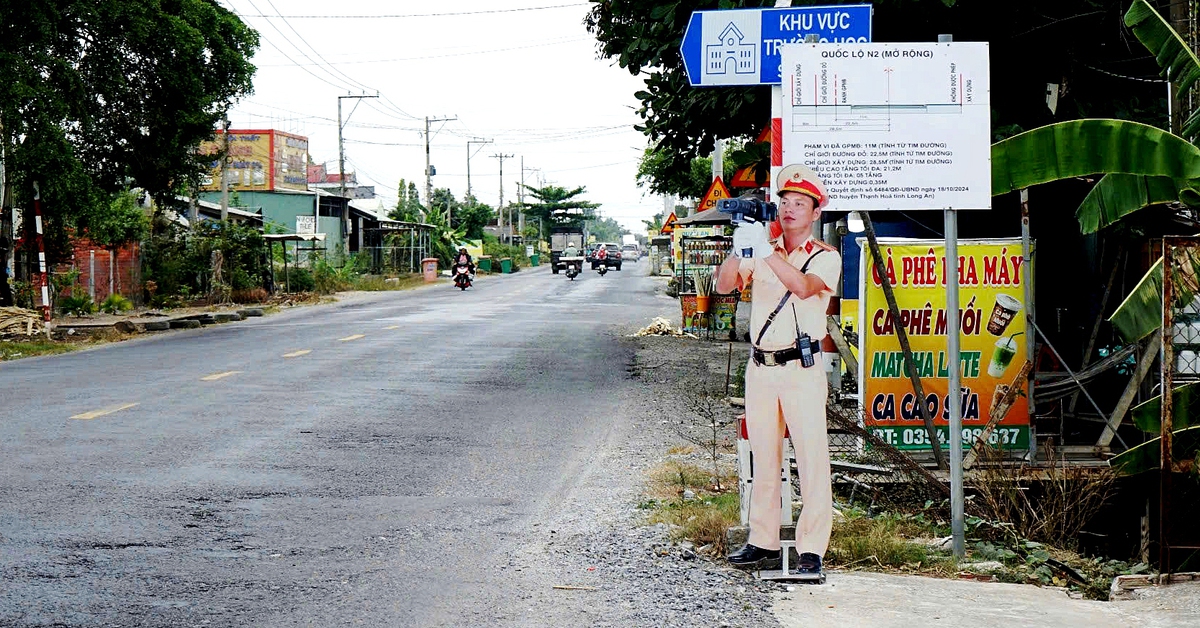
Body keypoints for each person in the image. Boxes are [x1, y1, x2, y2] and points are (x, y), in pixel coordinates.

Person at [714, 164, 841, 579]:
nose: (789, 209)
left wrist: (767, 252)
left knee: (811, 457)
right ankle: (762, 540)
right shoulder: (761, 247)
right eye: (784, 201)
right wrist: (739, 248)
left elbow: (804, 288)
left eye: (799, 203)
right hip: (762, 368)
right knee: (764, 456)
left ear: (815, 211)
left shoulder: (826, 257)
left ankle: (811, 550)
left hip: (801, 367)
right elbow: (724, 286)